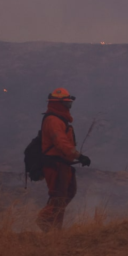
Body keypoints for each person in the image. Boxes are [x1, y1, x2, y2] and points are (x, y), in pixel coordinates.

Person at [36, 88, 90, 232]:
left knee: (68, 192)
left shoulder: (58, 119)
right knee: (58, 196)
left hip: (63, 164)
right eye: (67, 104)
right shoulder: (53, 120)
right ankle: (47, 224)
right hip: (55, 165)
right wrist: (78, 156)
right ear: (59, 104)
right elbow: (61, 142)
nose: (69, 107)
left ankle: (53, 228)